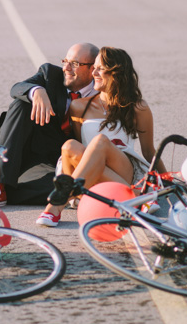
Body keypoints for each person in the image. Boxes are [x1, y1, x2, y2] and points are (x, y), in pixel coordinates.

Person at [36, 46, 161, 227]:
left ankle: (54, 208)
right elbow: (82, 150)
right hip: (89, 178)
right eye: (93, 67)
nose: (93, 72)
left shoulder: (137, 107)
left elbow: (149, 152)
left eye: (99, 68)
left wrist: (169, 183)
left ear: (116, 73)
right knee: (69, 146)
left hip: (124, 171)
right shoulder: (78, 107)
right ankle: (137, 197)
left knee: (100, 142)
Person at [0, 43, 100, 206]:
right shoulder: (50, 74)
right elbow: (17, 88)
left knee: (64, 187)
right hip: (29, 153)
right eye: (65, 61)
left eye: (74, 64)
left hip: (62, 163)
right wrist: (36, 91)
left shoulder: (102, 92)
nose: (66, 68)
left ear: (93, 69)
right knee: (21, 104)